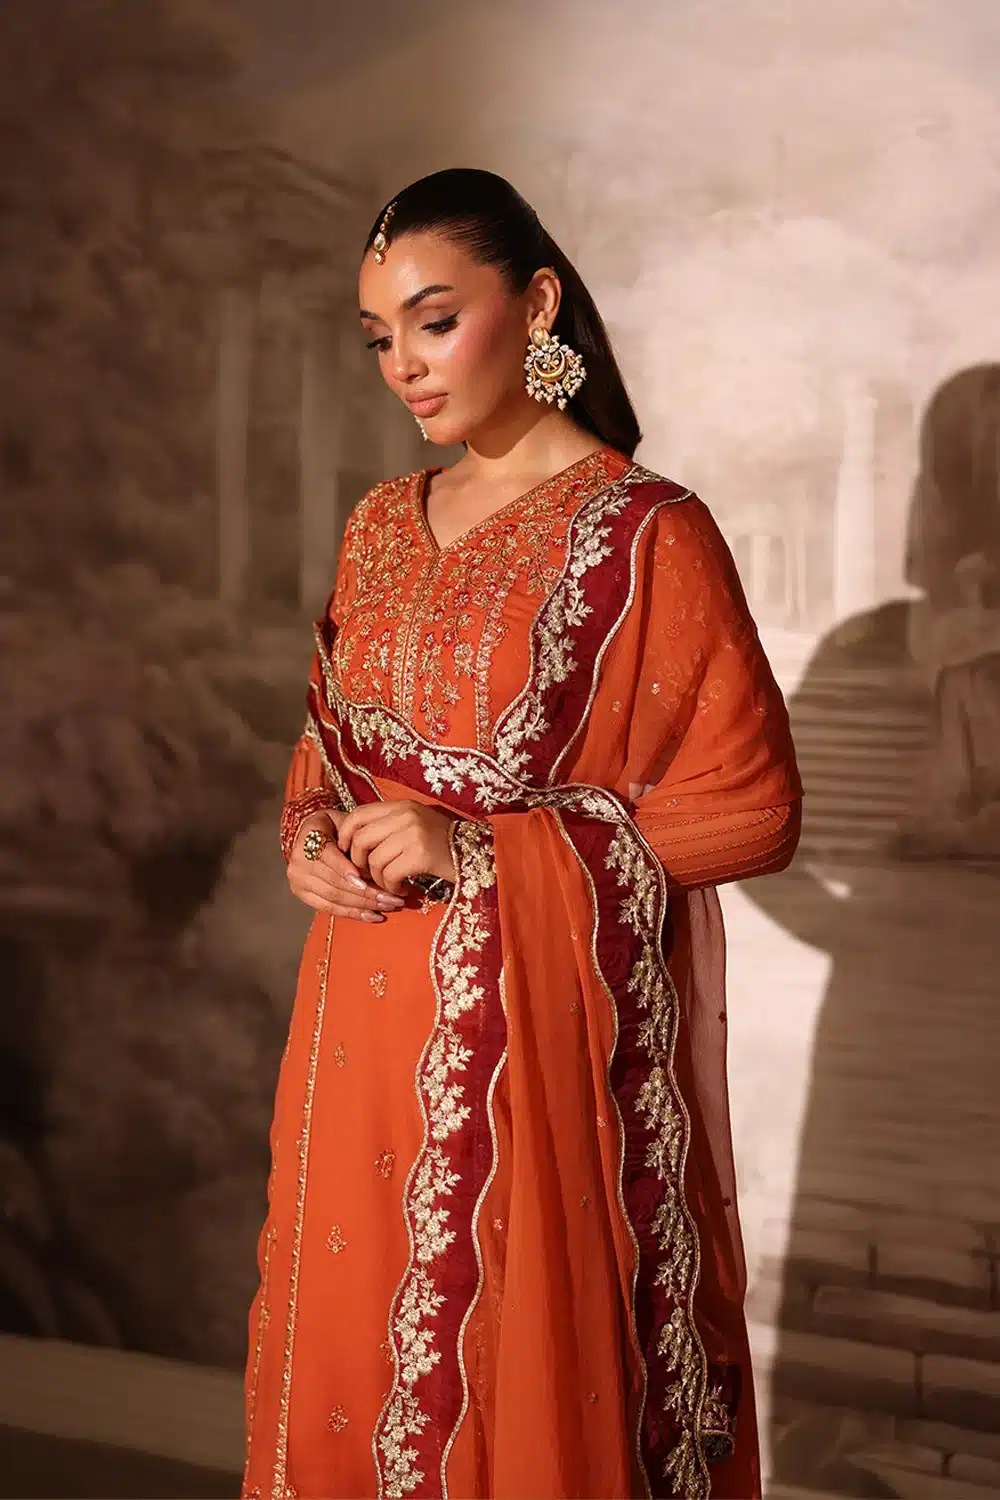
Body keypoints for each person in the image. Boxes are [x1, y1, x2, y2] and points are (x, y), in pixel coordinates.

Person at [241, 168, 802, 1500]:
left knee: (524, 1380)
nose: (404, 365)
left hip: (535, 1040)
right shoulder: (382, 525)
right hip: (359, 1026)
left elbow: (752, 808)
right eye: (380, 337)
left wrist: (488, 851)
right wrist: (308, 832)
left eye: (434, 321)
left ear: (537, 302)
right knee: (353, 1371)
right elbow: (330, 752)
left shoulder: (647, 534)